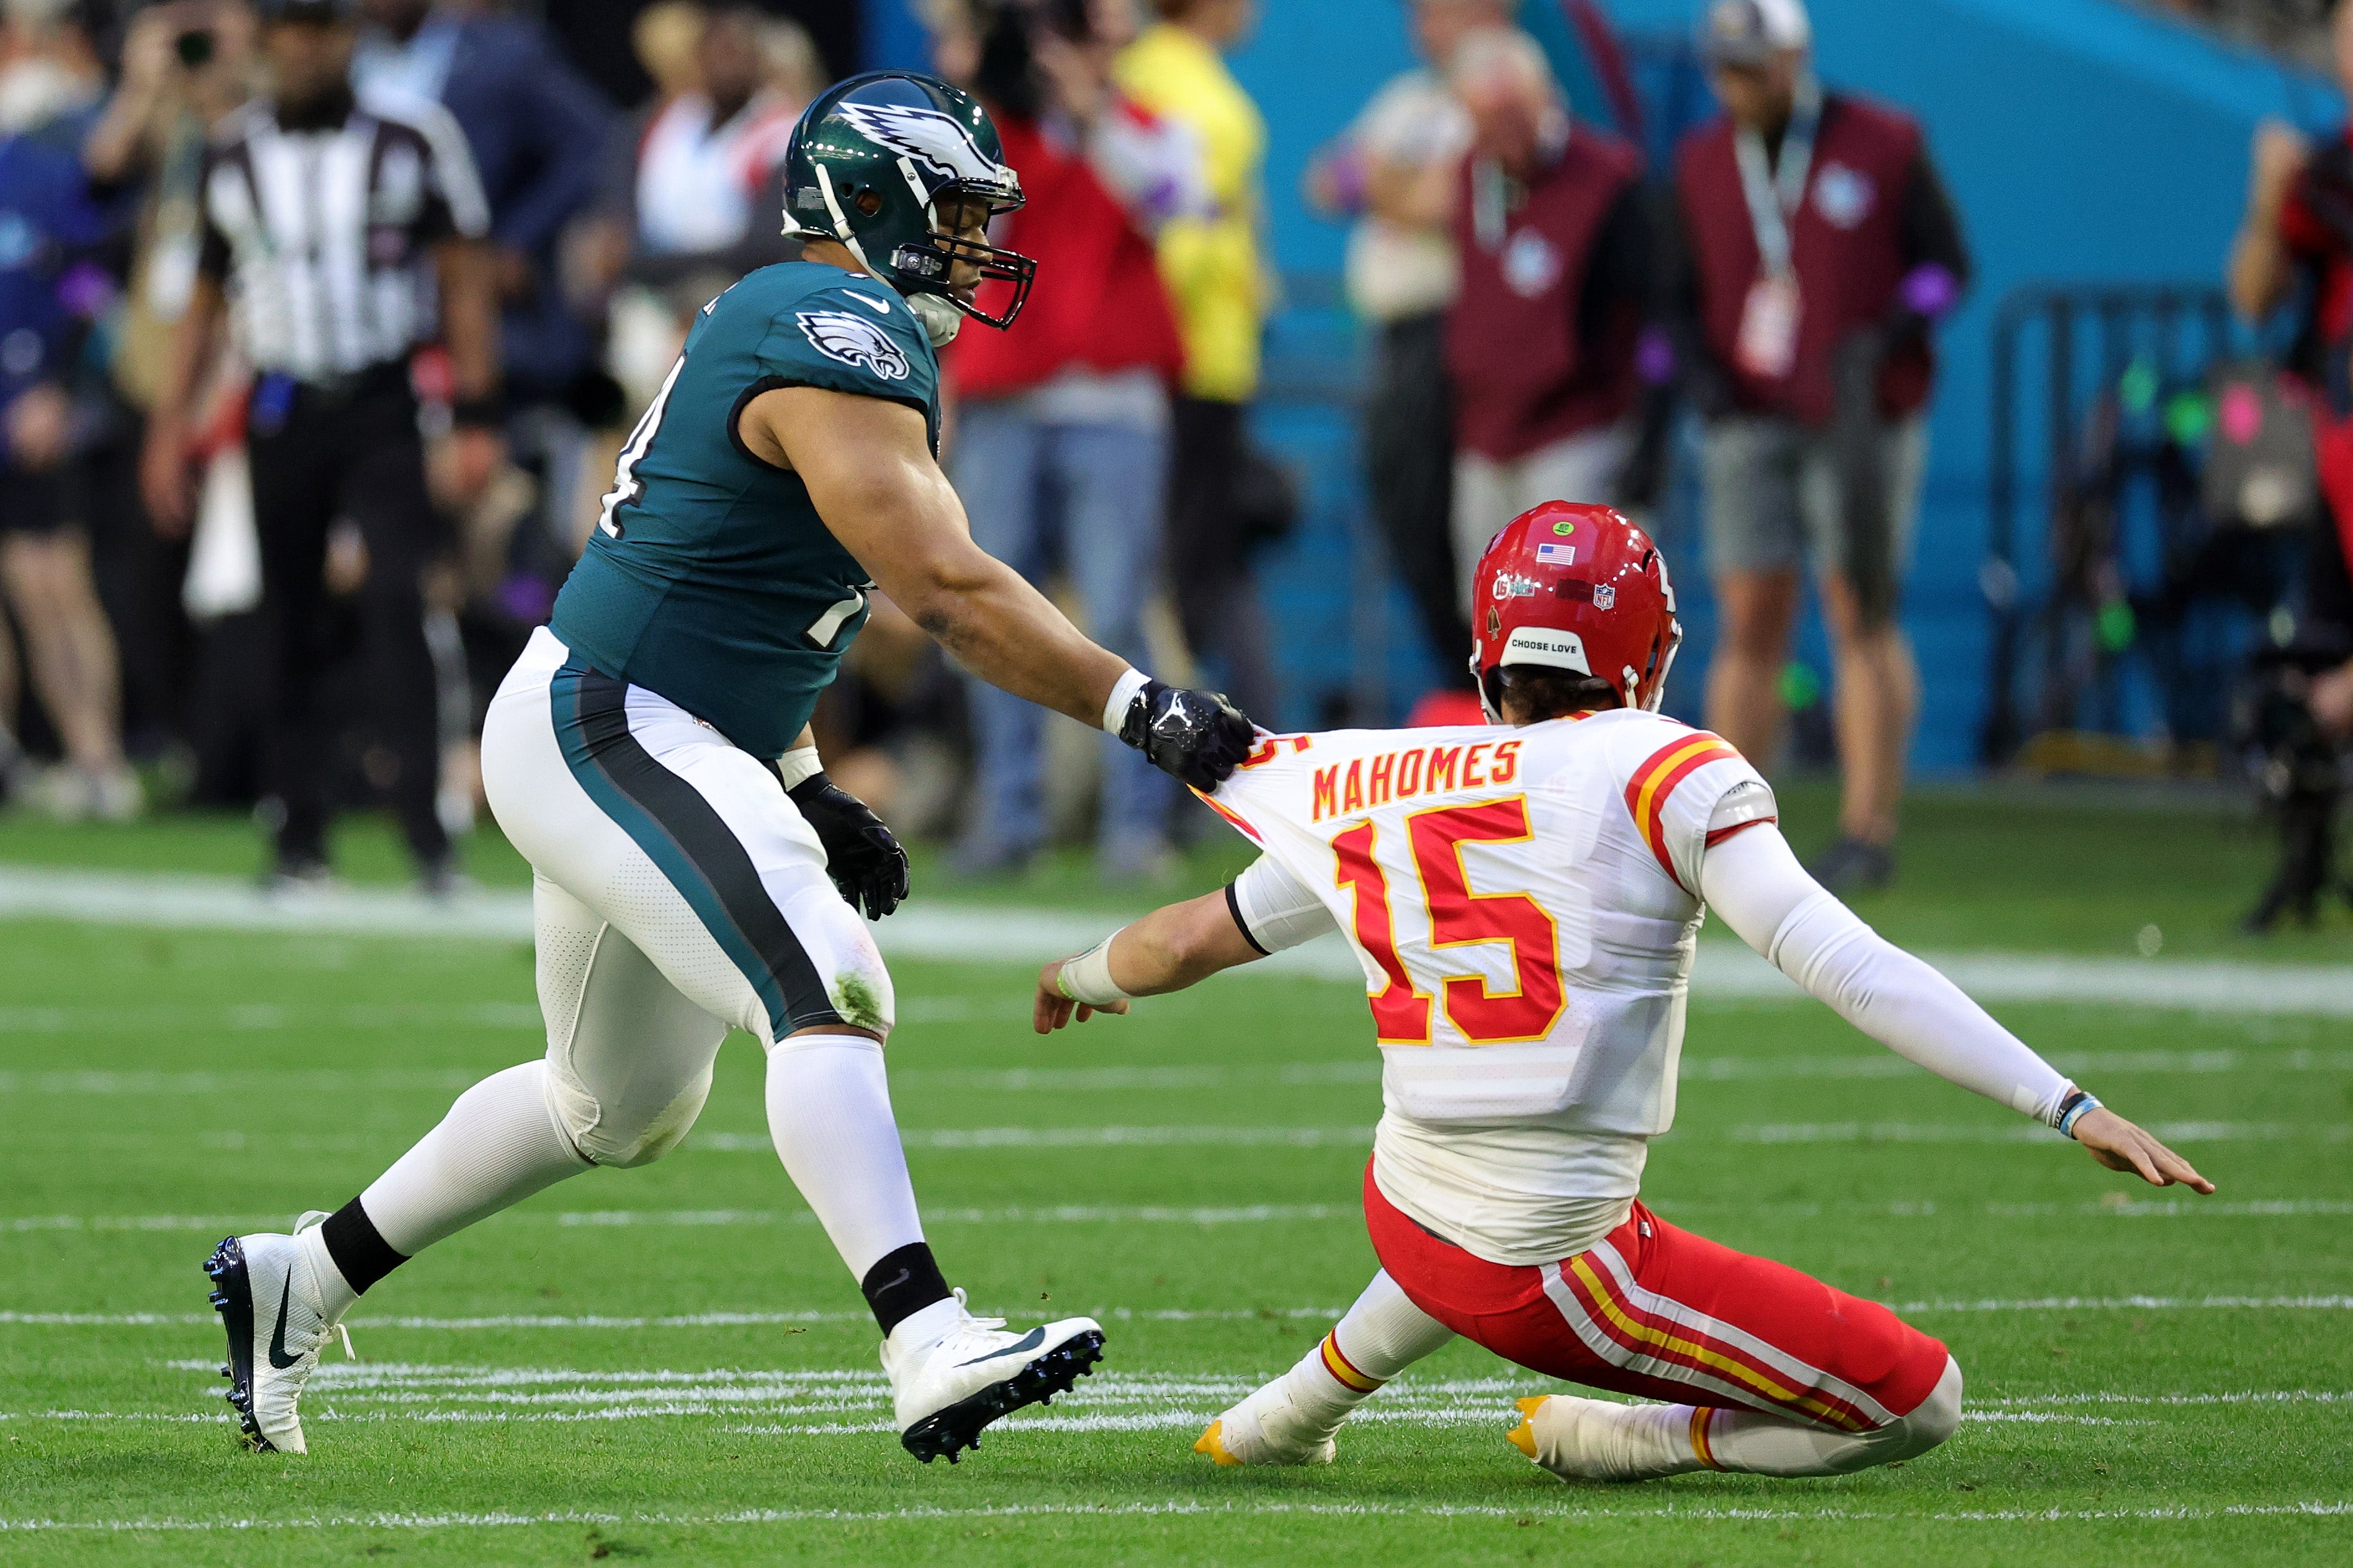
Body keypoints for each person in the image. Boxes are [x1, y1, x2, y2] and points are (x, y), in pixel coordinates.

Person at [198, 71, 1259, 1465]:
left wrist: (802, 774)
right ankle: (924, 1333)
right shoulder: (833, 324)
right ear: (871, 206)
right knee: (823, 984)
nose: (972, 248)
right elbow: (938, 589)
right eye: (953, 216)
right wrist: (1143, 710)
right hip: (613, 722)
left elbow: (749, 589)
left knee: (615, 1109)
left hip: (634, 717)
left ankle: (306, 1275)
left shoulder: (808, 324)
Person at [1033, 500, 2213, 1482]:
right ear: (1648, 659)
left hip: (1401, 1203)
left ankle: (1287, 1414)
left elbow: (1190, 940)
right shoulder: (1663, 769)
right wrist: (2064, 1102)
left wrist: (1078, 973)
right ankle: (1633, 1438)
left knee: (1477, 1191)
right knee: (1921, 1400)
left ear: (1488, 663)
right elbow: (1847, 965)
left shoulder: (1380, 777)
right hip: (1557, 1274)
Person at [140, 0, 500, 889]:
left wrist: (477, 412)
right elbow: (205, 297)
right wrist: (169, 425)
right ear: (266, 45)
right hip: (279, 401)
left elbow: (462, 273)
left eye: (322, 31)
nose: (306, 50)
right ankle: (298, 833)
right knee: (283, 617)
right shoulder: (232, 149)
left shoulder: (414, 137)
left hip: (382, 396)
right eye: (290, 33)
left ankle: (428, 831)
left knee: (396, 601)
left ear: (349, 42)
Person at [1666, 0, 1968, 894]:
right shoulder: (1698, 163)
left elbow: (1945, 266)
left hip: (1856, 417)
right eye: (1722, 67)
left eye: (1750, 66)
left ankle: (1867, 822)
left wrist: (1890, 326)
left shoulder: (1881, 141)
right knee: (1748, 612)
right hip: (1749, 415)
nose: (1734, 85)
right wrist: (1699, 377)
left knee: (1857, 606)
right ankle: (1721, 830)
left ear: (1793, 60)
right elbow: (1675, 294)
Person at [945, 0, 1190, 879]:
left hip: (1113, 402)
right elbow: (973, 247)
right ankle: (1008, 818)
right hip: (1009, 395)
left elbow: (1174, 204)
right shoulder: (993, 135)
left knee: (1120, 610)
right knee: (986, 609)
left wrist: (1092, 119)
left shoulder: (1149, 131)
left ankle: (1137, 826)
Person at [1305, 0, 1500, 683]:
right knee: (1401, 511)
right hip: (1391, 339)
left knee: (1447, 520)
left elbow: (1447, 203)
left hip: (1448, 336)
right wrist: (1389, 182)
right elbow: (1323, 182)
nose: (1423, 22)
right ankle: (1461, 682)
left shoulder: (1501, 92)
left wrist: (1375, 180)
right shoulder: (1408, 100)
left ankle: (1479, 681)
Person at [1442, 27, 1649, 616]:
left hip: (1574, 424)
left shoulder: (1608, 177)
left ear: (1542, 102)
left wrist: (1642, 420)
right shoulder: (1469, 174)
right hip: (1482, 425)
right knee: (1486, 608)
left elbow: (1643, 305)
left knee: (1569, 607)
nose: (1497, 136)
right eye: (1483, 121)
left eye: (1510, 117)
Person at [1117, 0, 1278, 724]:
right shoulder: (1159, 77)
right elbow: (1172, 220)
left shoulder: (1175, 72)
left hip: (1209, 353)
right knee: (1181, 569)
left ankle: (1202, 738)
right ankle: (1174, 744)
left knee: (1204, 561)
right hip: (1187, 356)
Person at [0, 0, 138, 818]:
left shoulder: (43, 157)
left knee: (51, 579)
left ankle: (99, 755)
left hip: (33, 403)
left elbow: (92, 277)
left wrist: (63, 385)